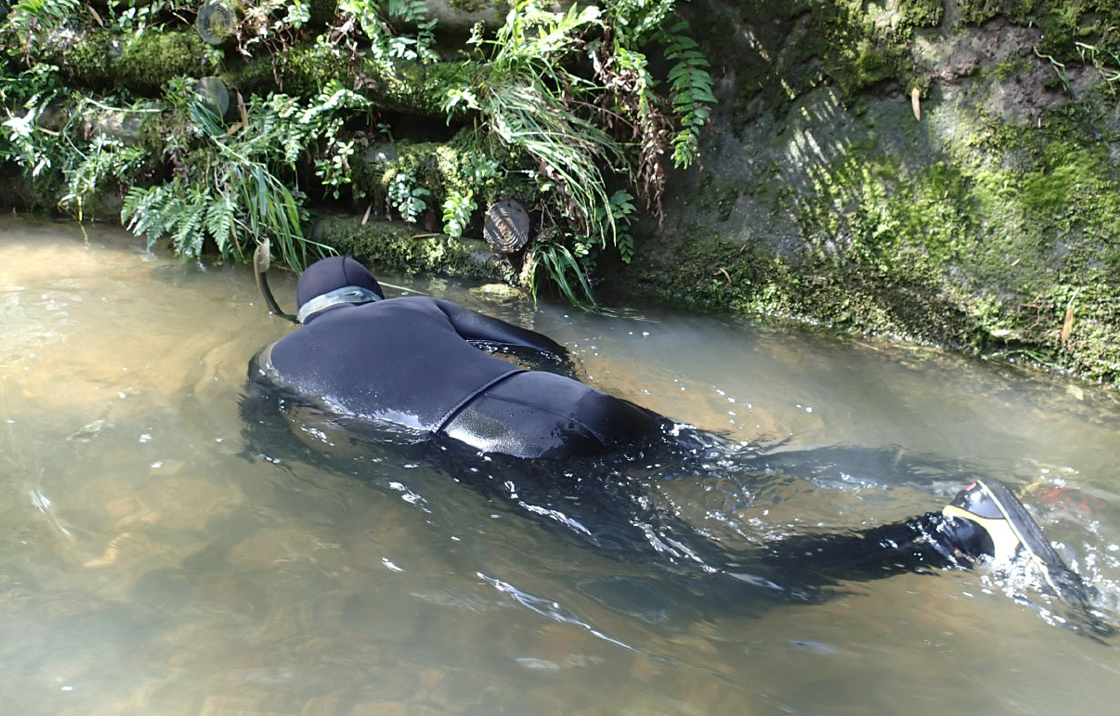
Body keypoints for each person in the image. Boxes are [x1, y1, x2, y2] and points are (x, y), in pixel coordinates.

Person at [246, 256, 1098, 620]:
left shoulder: (273, 361)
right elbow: (538, 346)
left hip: (509, 449)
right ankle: (972, 472)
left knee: (700, 584)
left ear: (308, 314)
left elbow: (273, 451)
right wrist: (569, 386)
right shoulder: (414, 304)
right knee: (747, 466)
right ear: (369, 294)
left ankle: (957, 536)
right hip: (566, 401)